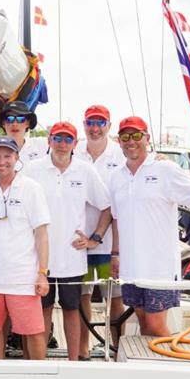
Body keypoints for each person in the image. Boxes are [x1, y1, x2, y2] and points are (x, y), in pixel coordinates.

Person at [110, 116, 190, 337]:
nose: (131, 141)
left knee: (155, 325)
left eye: (136, 135)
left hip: (159, 267)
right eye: (125, 136)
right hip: (131, 267)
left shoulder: (166, 169)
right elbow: (117, 219)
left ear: (147, 138)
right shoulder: (116, 177)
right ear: (119, 141)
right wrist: (115, 254)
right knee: (143, 321)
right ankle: (150, 367)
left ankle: (173, 364)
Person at [26, 121, 111, 361]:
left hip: (72, 257)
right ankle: (39, 364)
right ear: (49, 141)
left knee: (72, 311)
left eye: (67, 139)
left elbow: (106, 207)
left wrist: (95, 238)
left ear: (75, 143)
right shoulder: (33, 169)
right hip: (38, 256)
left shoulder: (85, 171)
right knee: (42, 311)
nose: (62, 144)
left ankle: (73, 364)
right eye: (57, 138)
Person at [0, 137, 50, 360]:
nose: (1, 161)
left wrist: (42, 274)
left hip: (22, 278)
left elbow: (41, 235)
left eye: (7, 156)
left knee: (33, 332)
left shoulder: (31, 188)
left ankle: (40, 378)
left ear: (16, 158)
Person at [74, 105, 127, 359]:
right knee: (82, 298)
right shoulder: (73, 152)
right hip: (79, 243)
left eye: (100, 123)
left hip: (109, 246)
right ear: (84, 125)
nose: (95, 128)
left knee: (114, 299)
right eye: (90, 123)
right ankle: (82, 350)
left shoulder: (121, 154)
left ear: (109, 125)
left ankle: (118, 349)